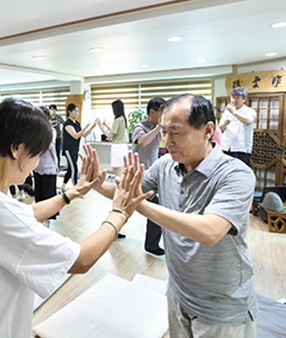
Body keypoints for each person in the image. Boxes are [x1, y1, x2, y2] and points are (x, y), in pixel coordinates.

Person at [0, 98, 152, 337]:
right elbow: (81, 260)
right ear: (17, 149)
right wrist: (119, 213)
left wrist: (71, 193)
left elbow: (24, 213)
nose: (37, 162)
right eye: (37, 153)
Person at [92, 94, 257, 337]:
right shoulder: (164, 165)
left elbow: (210, 231)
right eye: (163, 132)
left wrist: (141, 205)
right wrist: (95, 182)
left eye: (176, 132)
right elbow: (126, 191)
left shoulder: (235, 174)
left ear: (207, 130)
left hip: (222, 306)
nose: (167, 141)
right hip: (179, 294)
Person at [132, 97, 165, 255]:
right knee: (156, 206)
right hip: (136, 176)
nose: (164, 114)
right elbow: (142, 142)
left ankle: (113, 230)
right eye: (161, 111)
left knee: (127, 205)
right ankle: (151, 245)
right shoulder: (141, 126)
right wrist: (158, 128)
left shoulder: (157, 128)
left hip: (150, 175)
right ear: (152, 112)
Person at [60, 103, 96, 191]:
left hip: (75, 149)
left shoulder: (77, 123)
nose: (77, 113)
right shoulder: (67, 124)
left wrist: (92, 126)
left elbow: (83, 134)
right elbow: (76, 136)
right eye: (75, 111)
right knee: (74, 169)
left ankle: (63, 187)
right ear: (69, 111)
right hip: (68, 150)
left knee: (71, 169)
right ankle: (76, 189)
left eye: (77, 111)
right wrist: (86, 126)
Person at [219, 86, 256, 167]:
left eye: (238, 98)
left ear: (244, 99)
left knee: (241, 174)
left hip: (241, 148)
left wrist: (233, 112)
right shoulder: (227, 112)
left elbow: (247, 121)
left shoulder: (249, 111)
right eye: (233, 98)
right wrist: (225, 123)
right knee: (225, 172)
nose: (234, 100)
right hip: (226, 147)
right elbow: (220, 128)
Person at [34, 106, 59, 226]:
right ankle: (40, 221)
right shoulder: (35, 131)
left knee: (48, 198)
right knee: (39, 196)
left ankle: (46, 223)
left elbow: (48, 146)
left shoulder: (51, 131)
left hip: (49, 168)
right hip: (37, 167)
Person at [96, 99, 129, 177]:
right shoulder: (123, 119)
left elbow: (109, 136)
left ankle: (119, 187)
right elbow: (116, 132)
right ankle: (119, 186)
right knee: (118, 170)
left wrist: (101, 126)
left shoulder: (117, 120)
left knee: (117, 171)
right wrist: (106, 126)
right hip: (123, 146)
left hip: (117, 147)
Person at [49, 104, 65, 169]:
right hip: (50, 137)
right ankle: (51, 166)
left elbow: (65, 125)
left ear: (55, 110)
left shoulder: (58, 117)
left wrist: (62, 133)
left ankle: (57, 166)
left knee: (57, 152)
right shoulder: (47, 117)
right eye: (51, 109)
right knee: (51, 152)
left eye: (53, 109)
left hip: (58, 137)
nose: (52, 110)